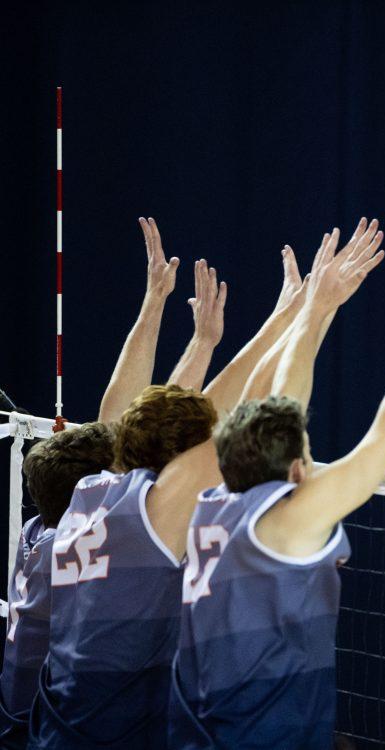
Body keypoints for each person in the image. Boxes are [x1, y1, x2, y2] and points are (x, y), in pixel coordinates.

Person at [168, 225, 385, 749]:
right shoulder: (286, 524)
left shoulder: (214, 504)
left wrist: (317, 308)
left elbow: (274, 398)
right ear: (296, 471)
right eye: (308, 454)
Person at [29, 227, 308, 749]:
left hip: (58, 725)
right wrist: (297, 318)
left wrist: (184, 326)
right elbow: (234, 413)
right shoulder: (153, 519)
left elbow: (135, 414)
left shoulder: (90, 492)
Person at [0, 218, 217, 750]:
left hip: (28, 718)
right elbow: (128, 430)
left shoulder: (44, 533)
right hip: (38, 735)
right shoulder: (85, 541)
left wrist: (159, 304)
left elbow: (120, 426)